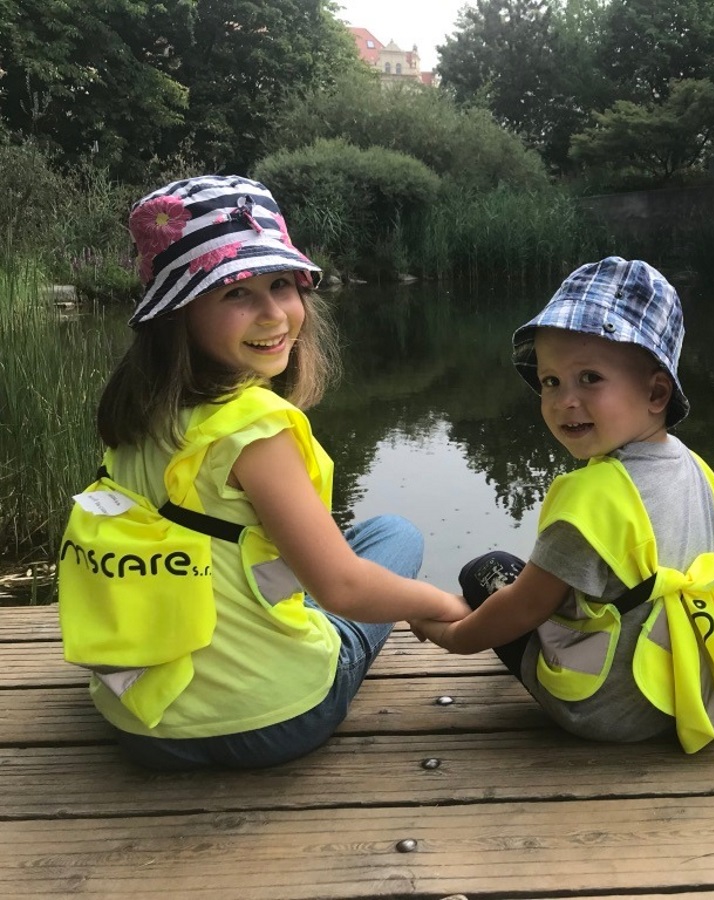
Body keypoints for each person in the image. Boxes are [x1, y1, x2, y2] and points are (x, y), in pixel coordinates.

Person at [57, 175, 466, 770]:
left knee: (348, 543)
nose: (274, 314)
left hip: (143, 723)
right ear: (179, 315)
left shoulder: (140, 415)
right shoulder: (255, 429)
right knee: (396, 535)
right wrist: (444, 606)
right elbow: (343, 589)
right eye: (236, 294)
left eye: (281, 284)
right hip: (274, 721)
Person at [411, 257, 714, 752]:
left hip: (608, 711)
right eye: (551, 381)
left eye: (589, 378)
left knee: (487, 569)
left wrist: (453, 638)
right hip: (697, 689)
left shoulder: (589, 498)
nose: (564, 400)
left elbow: (522, 608)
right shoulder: (697, 468)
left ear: (656, 392)